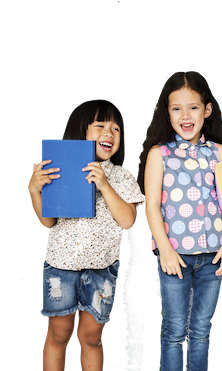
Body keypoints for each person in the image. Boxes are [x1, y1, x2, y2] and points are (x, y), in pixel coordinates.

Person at [28, 99, 144, 370]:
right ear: (80, 132)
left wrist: (104, 184)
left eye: (116, 129)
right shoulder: (61, 171)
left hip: (102, 270)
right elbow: (47, 221)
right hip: (61, 267)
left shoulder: (122, 176)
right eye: (100, 126)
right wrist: (35, 190)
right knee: (59, 334)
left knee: (91, 337)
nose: (110, 133)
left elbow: (128, 221)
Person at [138, 71, 222, 370]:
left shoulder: (219, 153)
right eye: (176, 108)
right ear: (166, 112)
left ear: (207, 110)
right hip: (175, 258)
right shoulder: (160, 154)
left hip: (213, 257)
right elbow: (151, 207)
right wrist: (166, 251)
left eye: (193, 107)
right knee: (174, 331)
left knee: (201, 332)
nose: (185, 115)